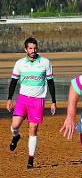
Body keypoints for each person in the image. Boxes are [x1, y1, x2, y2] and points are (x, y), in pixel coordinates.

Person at [6, 37, 56, 169]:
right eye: (30, 48)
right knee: (15, 125)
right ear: (25, 49)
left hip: (38, 100)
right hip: (23, 99)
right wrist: (9, 99)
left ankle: (30, 159)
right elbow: (13, 82)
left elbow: (50, 82)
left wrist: (53, 101)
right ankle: (16, 137)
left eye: (35, 48)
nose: (33, 51)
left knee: (33, 129)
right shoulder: (20, 63)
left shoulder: (45, 62)